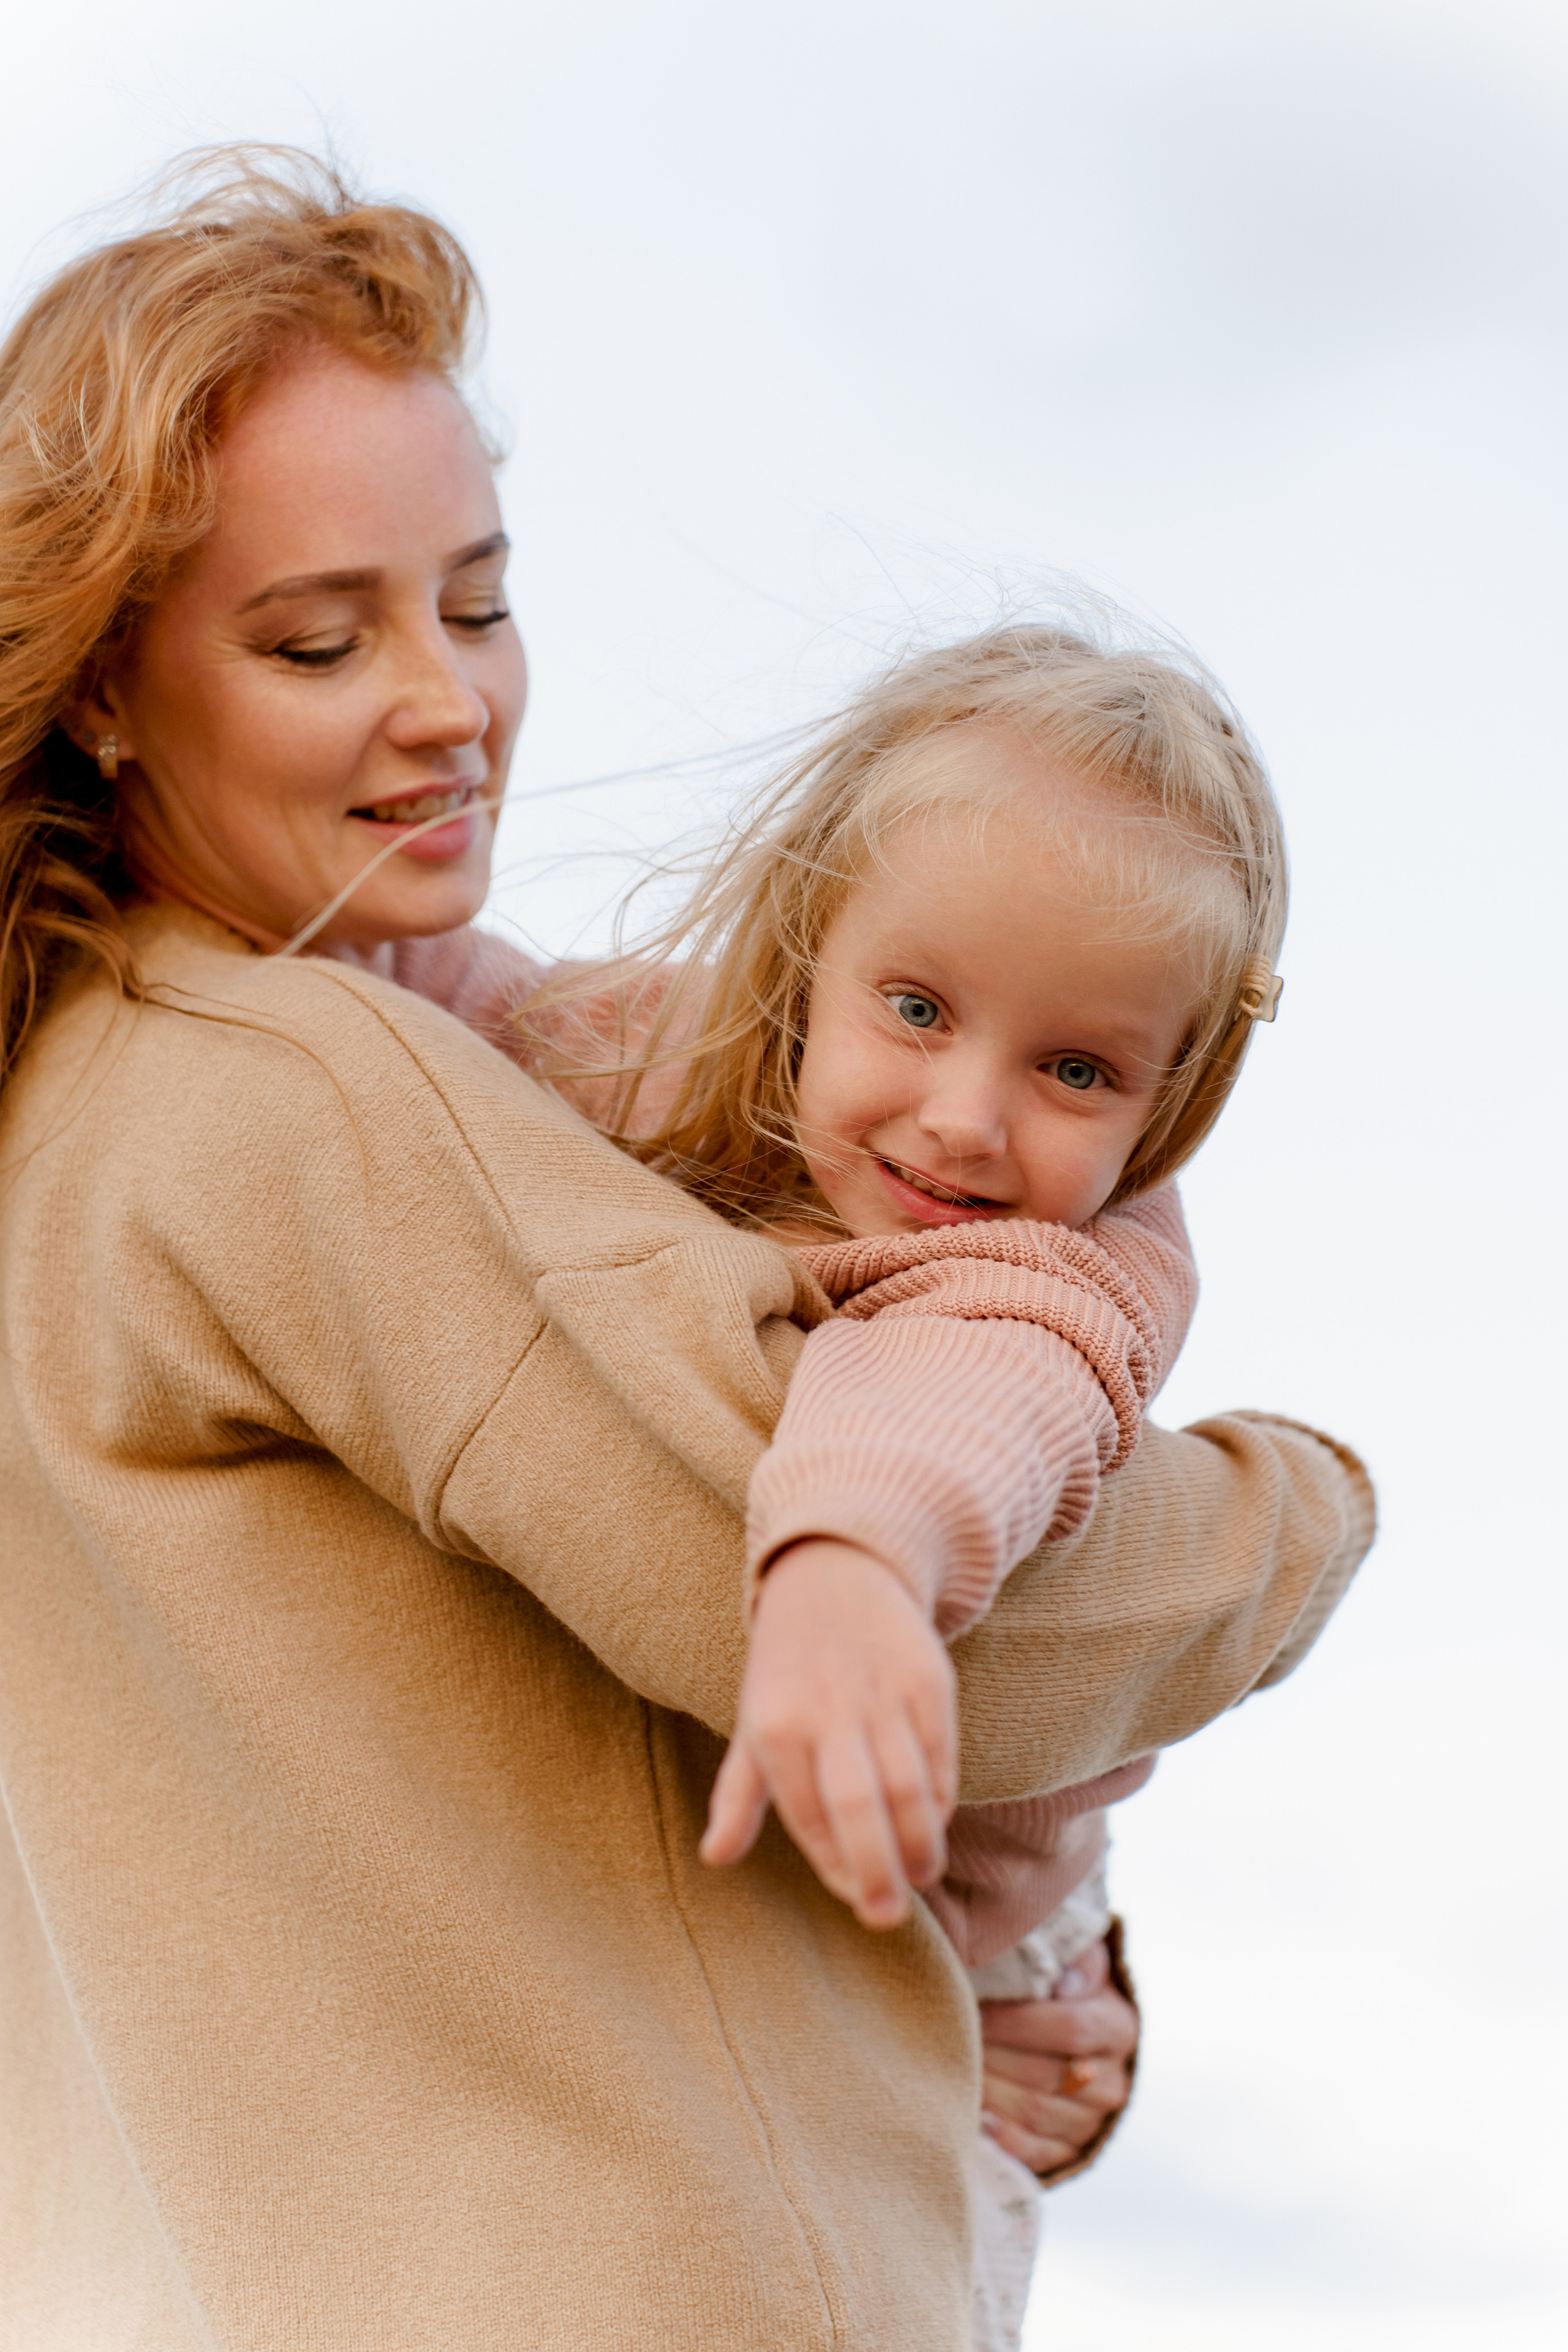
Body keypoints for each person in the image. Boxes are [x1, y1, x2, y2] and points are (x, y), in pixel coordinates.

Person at [0, 151, 1374, 2350]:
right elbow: (799, 1582)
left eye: (479, 597)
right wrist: (1294, 1514)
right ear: (100, 683)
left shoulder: (121, 1086)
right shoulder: (290, 1093)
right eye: (318, 637)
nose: (450, 702)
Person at [488, 621, 1288, 2348]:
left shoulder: (1076, 1273)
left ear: (1170, 1103)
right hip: (741, 1957)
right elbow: (451, 1018)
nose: (967, 1122)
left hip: (987, 1993)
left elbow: (955, 1387)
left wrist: (852, 1565)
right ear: (806, 946)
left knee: (891, 2291)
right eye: (917, 1009)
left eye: (1078, 1071)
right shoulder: (685, 1054)